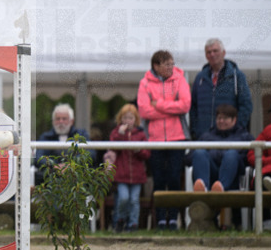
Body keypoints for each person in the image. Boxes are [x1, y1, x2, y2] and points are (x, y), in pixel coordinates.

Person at [137, 49, 191, 229]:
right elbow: (144, 111)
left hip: (178, 138)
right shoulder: (144, 84)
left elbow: (185, 105)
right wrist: (171, 109)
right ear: (156, 66)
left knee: (175, 178)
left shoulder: (180, 79)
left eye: (172, 63)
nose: (171, 67)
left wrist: (158, 105)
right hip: (155, 139)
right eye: (167, 64)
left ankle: (173, 218)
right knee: (159, 179)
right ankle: (160, 218)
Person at [189, 38, 252, 140]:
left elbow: (246, 105)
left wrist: (237, 128)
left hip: (230, 136)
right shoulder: (200, 78)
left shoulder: (237, 77)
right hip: (204, 136)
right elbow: (193, 108)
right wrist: (195, 130)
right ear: (206, 56)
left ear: (223, 53)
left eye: (215, 51)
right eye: (209, 52)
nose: (212, 54)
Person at [102, 104, 150, 232]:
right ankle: (120, 219)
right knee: (123, 198)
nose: (127, 121)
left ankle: (133, 224)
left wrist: (138, 150)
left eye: (130, 118)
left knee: (134, 200)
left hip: (137, 175)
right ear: (120, 119)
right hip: (121, 174)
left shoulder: (140, 134)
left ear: (136, 120)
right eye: (125, 118)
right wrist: (121, 135)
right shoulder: (116, 133)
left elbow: (146, 153)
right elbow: (113, 147)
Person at [189, 104, 253, 193]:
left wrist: (221, 154)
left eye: (225, 118)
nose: (221, 121)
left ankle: (221, 189)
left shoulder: (244, 136)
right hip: (211, 174)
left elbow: (250, 157)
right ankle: (202, 188)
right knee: (199, 153)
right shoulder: (206, 136)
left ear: (234, 120)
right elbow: (189, 157)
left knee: (231, 155)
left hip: (233, 176)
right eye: (219, 118)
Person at [34, 103, 92, 185]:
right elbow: (38, 158)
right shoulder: (45, 137)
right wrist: (55, 166)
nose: (61, 122)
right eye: (58, 119)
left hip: (77, 179)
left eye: (64, 119)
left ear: (71, 121)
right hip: (51, 179)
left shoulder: (81, 135)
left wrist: (71, 165)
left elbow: (90, 154)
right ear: (53, 121)